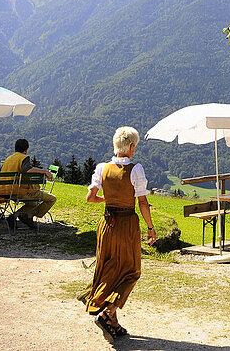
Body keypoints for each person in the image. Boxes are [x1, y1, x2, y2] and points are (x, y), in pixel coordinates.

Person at [83, 127, 156, 340]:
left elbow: (90, 197)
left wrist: (108, 199)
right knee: (131, 271)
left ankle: (113, 323)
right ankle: (108, 313)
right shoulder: (135, 169)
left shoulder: (101, 168)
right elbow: (142, 201)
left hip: (106, 225)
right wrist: (150, 228)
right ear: (132, 147)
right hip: (126, 224)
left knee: (108, 269)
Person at [0, 138, 56, 230]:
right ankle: (28, 215)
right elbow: (27, 170)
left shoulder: (8, 159)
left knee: (33, 203)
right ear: (26, 149)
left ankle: (15, 216)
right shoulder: (24, 158)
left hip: (3, 191)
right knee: (51, 199)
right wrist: (44, 171)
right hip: (18, 191)